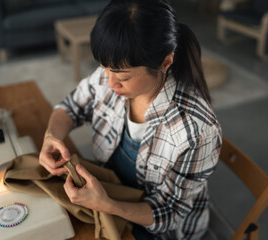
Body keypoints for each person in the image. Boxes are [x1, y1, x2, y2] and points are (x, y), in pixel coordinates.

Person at [39, 0, 222, 239]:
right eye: (104, 68)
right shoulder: (111, 74)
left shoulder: (196, 131)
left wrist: (108, 205)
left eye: (122, 77)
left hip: (158, 229)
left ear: (165, 62)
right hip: (109, 193)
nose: (110, 82)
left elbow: (168, 212)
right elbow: (71, 107)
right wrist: (51, 137)